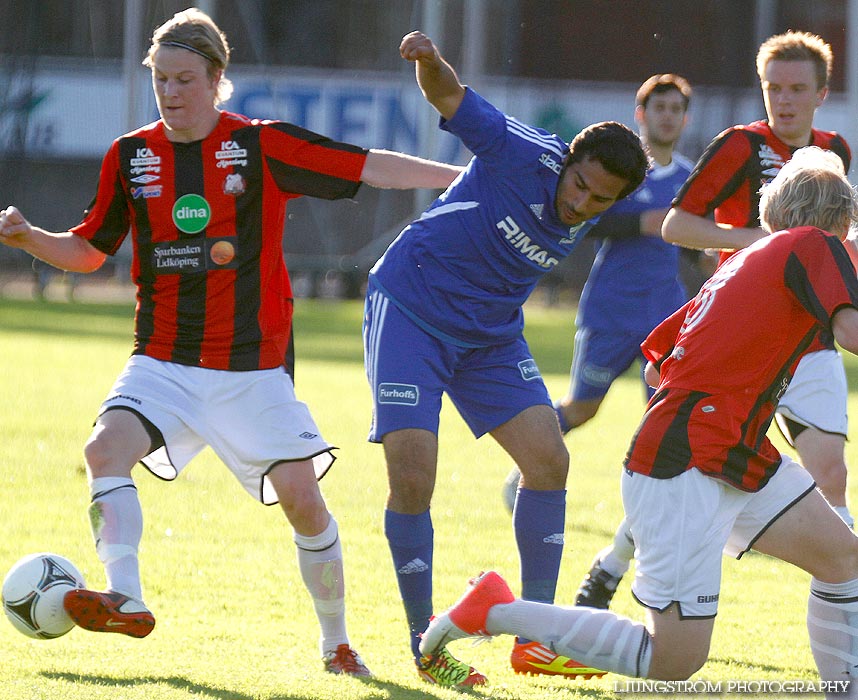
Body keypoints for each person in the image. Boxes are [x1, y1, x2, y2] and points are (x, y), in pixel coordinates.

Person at [0, 8, 462, 677]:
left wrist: (460, 181)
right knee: (104, 448)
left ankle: (336, 642)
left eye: (185, 78)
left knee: (303, 500)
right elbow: (90, 250)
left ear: (218, 79)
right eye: (161, 79)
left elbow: (366, 166)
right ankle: (124, 593)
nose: (171, 92)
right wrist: (28, 238)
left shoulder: (260, 145)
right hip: (160, 360)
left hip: (252, 370)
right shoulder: (131, 157)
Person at [420, 146, 858, 690]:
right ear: (838, 225)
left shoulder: (744, 262)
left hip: (725, 449)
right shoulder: (814, 246)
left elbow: (658, 364)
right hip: (688, 459)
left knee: (844, 562)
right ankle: (493, 611)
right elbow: (852, 334)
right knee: (674, 660)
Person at [363, 31, 648, 688]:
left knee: (549, 460)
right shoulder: (521, 151)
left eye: (598, 200)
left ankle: (539, 638)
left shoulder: (600, 195)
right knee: (414, 476)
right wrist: (429, 64)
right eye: (577, 185)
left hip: (489, 335)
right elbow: (452, 96)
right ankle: (425, 647)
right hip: (411, 307)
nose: (579, 203)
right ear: (568, 160)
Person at [577, 30, 855, 610]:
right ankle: (612, 566)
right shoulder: (738, 146)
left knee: (830, 473)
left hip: (810, 336)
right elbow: (677, 225)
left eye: (797, 88)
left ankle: (839, 601)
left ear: (822, 93)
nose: (784, 99)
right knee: (696, 466)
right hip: (743, 335)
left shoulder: (835, 151)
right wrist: (767, 242)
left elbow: (835, 241)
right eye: (773, 87)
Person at [502, 73, 696, 514]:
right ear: (641, 115)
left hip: (666, 315)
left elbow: (695, 237)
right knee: (583, 407)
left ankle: (660, 508)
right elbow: (586, 222)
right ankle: (525, 470)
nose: (667, 117)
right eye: (659, 108)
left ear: (684, 120)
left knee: (664, 414)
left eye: (676, 110)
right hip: (610, 311)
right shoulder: (621, 174)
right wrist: (643, 222)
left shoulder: (691, 179)